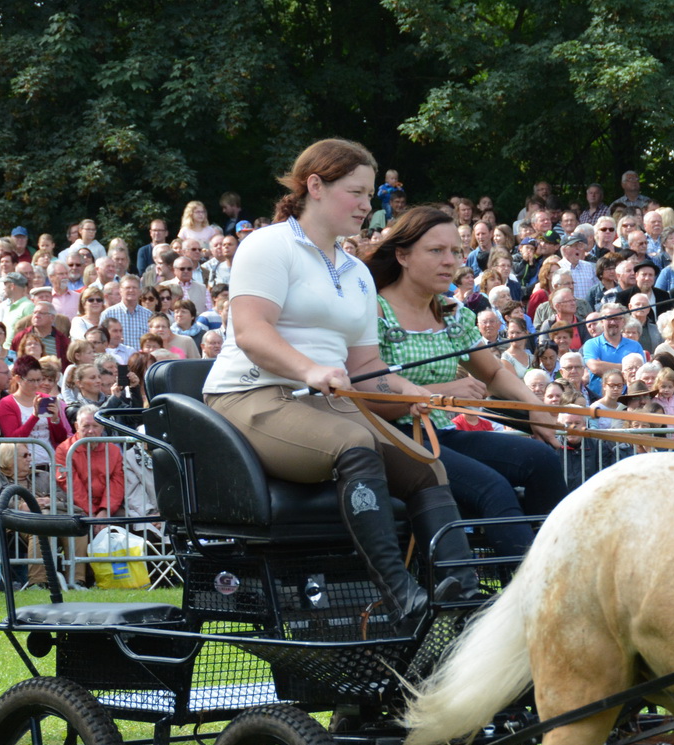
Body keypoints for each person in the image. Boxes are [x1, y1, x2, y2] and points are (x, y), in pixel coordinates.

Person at [202, 141, 474, 635]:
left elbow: (366, 364)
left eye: (369, 194)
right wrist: (309, 369)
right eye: (356, 192)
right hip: (249, 395)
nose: (366, 205)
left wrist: (417, 392)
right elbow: (252, 331)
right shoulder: (268, 246)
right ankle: (399, 594)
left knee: (425, 465)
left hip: (322, 403)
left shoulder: (356, 273)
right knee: (355, 443)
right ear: (315, 187)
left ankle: (460, 591)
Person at [365, 206, 567, 563]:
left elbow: (493, 373)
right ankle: (530, 594)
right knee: (492, 489)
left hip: (439, 434)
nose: (450, 262)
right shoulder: (374, 311)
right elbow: (365, 396)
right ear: (402, 256)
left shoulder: (451, 311)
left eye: (455, 252)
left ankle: (557, 568)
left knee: (541, 459)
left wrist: (536, 408)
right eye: (436, 251)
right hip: (391, 439)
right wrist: (440, 394)